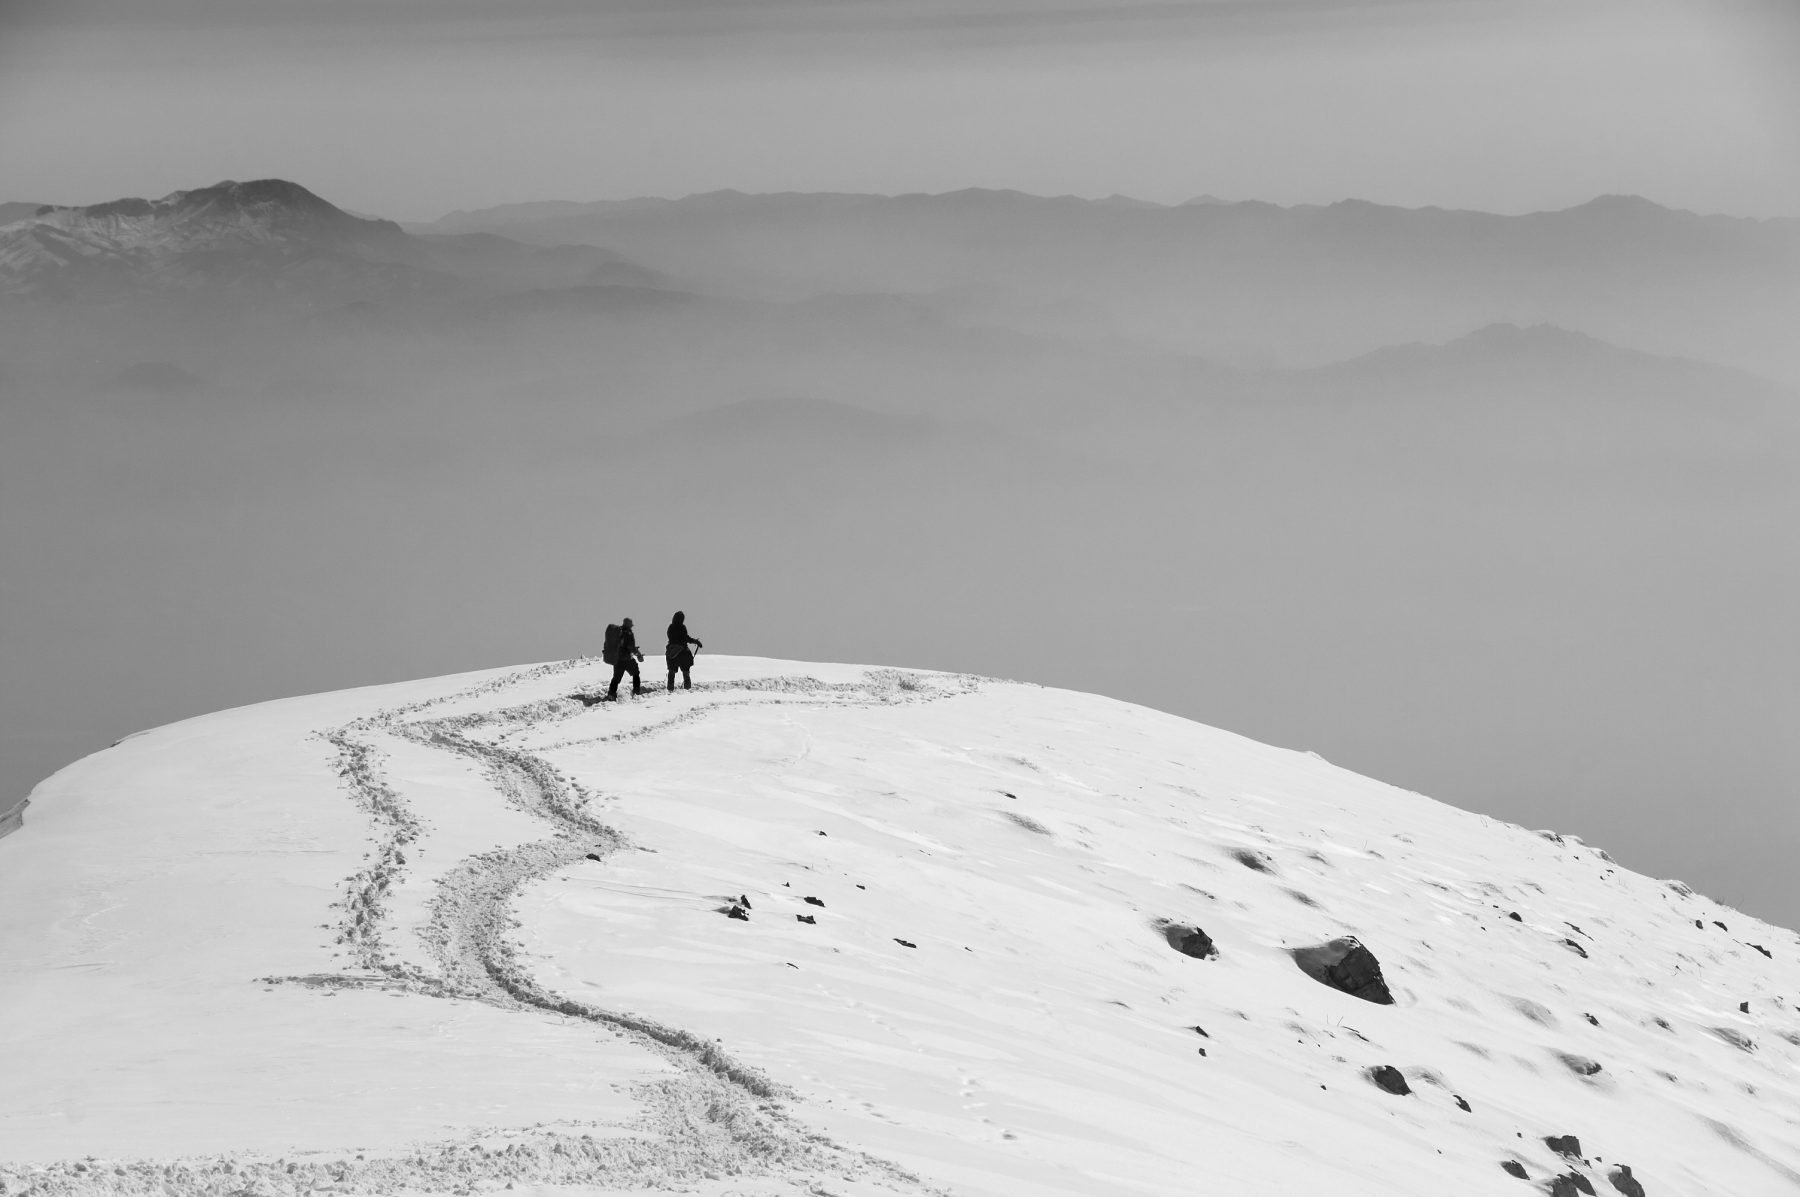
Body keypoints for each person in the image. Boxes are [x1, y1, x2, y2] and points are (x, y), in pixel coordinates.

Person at [607, 616, 645, 700]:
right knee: (636, 673)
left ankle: (611, 693)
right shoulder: (628, 633)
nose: (632, 627)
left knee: (616, 678)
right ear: (629, 625)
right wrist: (638, 655)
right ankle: (636, 691)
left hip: (617, 659)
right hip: (626, 659)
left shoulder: (618, 632)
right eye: (631, 625)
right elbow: (631, 647)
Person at [666, 611, 703, 691]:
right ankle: (687, 690)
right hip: (683, 653)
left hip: (671, 653)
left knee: (671, 672)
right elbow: (686, 638)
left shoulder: (671, 627)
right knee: (686, 672)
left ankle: (670, 690)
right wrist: (695, 641)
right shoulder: (682, 627)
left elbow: (670, 637)